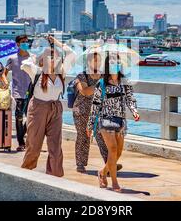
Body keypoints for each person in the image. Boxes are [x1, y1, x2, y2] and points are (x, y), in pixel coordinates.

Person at [20, 36, 76, 177]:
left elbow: (72, 54)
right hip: (38, 108)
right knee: (34, 144)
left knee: (55, 146)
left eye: (56, 57)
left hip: (55, 108)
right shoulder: (37, 71)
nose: (53, 59)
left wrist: (56, 43)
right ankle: (25, 172)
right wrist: (37, 58)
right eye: (50, 57)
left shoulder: (61, 72)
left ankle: (55, 175)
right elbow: (25, 64)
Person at [87, 53, 139, 192]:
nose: (114, 64)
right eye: (111, 62)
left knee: (118, 152)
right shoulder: (102, 83)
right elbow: (95, 104)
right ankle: (114, 182)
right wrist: (90, 124)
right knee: (113, 149)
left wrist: (134, 111)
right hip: (105, 119)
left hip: (121, 120)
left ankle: (103, 172)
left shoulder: (125, 81)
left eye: (116, 62)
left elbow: (130, 99)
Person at [73, 51, 120, 173]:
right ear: (88, 62)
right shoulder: (81, 76)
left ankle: (109, 163)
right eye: (94, 60)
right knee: (83, 136)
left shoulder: (103, 76)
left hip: (98, 111)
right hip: (82, 111)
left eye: (99, 60)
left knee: (103, 137)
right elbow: (85, 91)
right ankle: (80, 164)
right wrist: (100, 85)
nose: (97, 63)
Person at [2, 35, 32, 152]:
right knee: (19, 117)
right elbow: (4, 72)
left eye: (27, 41)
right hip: (17, 91)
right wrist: (4, 80)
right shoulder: (12, 58)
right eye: (23, 42)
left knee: (30, 118)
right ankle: (21, 142)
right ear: (17, 44)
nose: (26, 43)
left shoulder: (32, 58)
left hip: (31, 92)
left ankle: (24, 136)